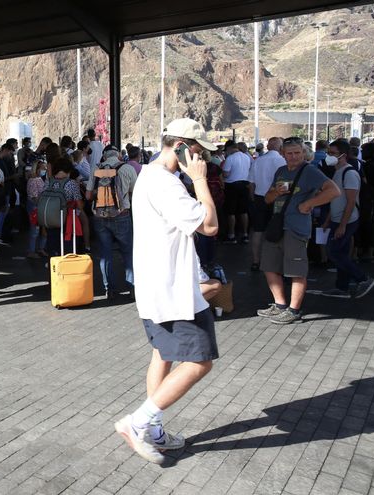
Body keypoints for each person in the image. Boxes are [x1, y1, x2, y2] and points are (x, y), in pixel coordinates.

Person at [114, 118, 220, 464]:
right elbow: (209, 225)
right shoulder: (167, 183)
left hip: (156, 287)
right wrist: (200, 181)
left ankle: (153, 428)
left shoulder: (151, 175)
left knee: (163, 354)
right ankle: (139, 422)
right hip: (174, 293)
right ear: (181, 147)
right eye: (199, 151)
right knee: (199, 360)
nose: (203, 158)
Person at [258, 137, 340, 324]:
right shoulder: (280, 171)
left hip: (296, 228)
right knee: (269, 267)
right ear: (283, 154)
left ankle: (294, 310)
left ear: (303, 153)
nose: (294, 156)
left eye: (297, 152)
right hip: (277, 226)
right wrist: (276, 192)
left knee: (296, 270)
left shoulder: (310, 171)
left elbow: (334, 191)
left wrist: (309, 203)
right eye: (290, 153)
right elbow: (267, 199)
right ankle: (279, 305)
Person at [319, 139, 374, 298]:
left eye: (332, 153)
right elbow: (337, 200)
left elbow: (351, 201)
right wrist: (328, 220)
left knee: (334, 252)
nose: (329, 156)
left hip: (347, 220)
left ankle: (362, 278)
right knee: (341, 253)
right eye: (328, 153)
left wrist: (342, 225)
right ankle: (342, 287)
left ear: (343, 155)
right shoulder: (338, 171)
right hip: (339, 219)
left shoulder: (349, 173)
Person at [86, 149, 138, 299]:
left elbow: (89, 195)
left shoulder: (96, 169)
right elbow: (135, 191)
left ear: (104, 156)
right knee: (127, 252)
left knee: (105, 254)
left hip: (99, 216)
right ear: (119, 156)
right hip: (121, 215)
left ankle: (109, 289)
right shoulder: (127, 168)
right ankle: (132, 288)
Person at [248, 137, 286, 271]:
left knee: (258, 230)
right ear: (280, 147)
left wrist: (252, 198)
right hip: (278, 198)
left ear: (268, 146)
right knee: (278, 230)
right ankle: (275, 262)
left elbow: (251, 183)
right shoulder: (282, 161)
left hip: (259, 197)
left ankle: (256, 261)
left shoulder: (258, 160)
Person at [44, 157, 84, 257]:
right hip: (67, 219)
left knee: (52, 243)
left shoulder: (49, 182)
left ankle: (53, 264)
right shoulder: (71, 183)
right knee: (67, 246)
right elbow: (79, 205)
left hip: (50, 218)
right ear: (68, 169)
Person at [221, 141, 251, 243]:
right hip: (245, 184)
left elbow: (225, 174)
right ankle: (245, 234)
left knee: (231, 212)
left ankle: (231, 235)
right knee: (243, 211)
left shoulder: (230, 158)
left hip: (232, 186)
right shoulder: (246, 157)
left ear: (229, 148)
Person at [25, 159, 48, 258]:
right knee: (35, 230)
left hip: (39, 206)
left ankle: (40, 248)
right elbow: (34, 197)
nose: (45, 170)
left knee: (41, 229)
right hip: (35, 206)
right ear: (37, 169)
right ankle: (32, 250)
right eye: (43, 168)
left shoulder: (39, 179)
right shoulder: (33, 180)